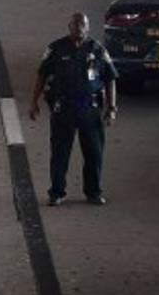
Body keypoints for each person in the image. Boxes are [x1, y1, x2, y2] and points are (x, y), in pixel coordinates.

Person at [28, 12, 117, 206]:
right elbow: (42, 75)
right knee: (60, 153)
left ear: (88, 27)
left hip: (89, 109)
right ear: (69, 27)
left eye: (83, 25)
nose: (79, 29)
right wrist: (33, 102)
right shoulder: (56, 49)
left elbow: (110, 79)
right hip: (64, 109)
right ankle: (57, 192)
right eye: (75, 25)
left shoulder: (98, 50)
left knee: (94, 153)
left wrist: (111, 108)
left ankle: (93, 192)